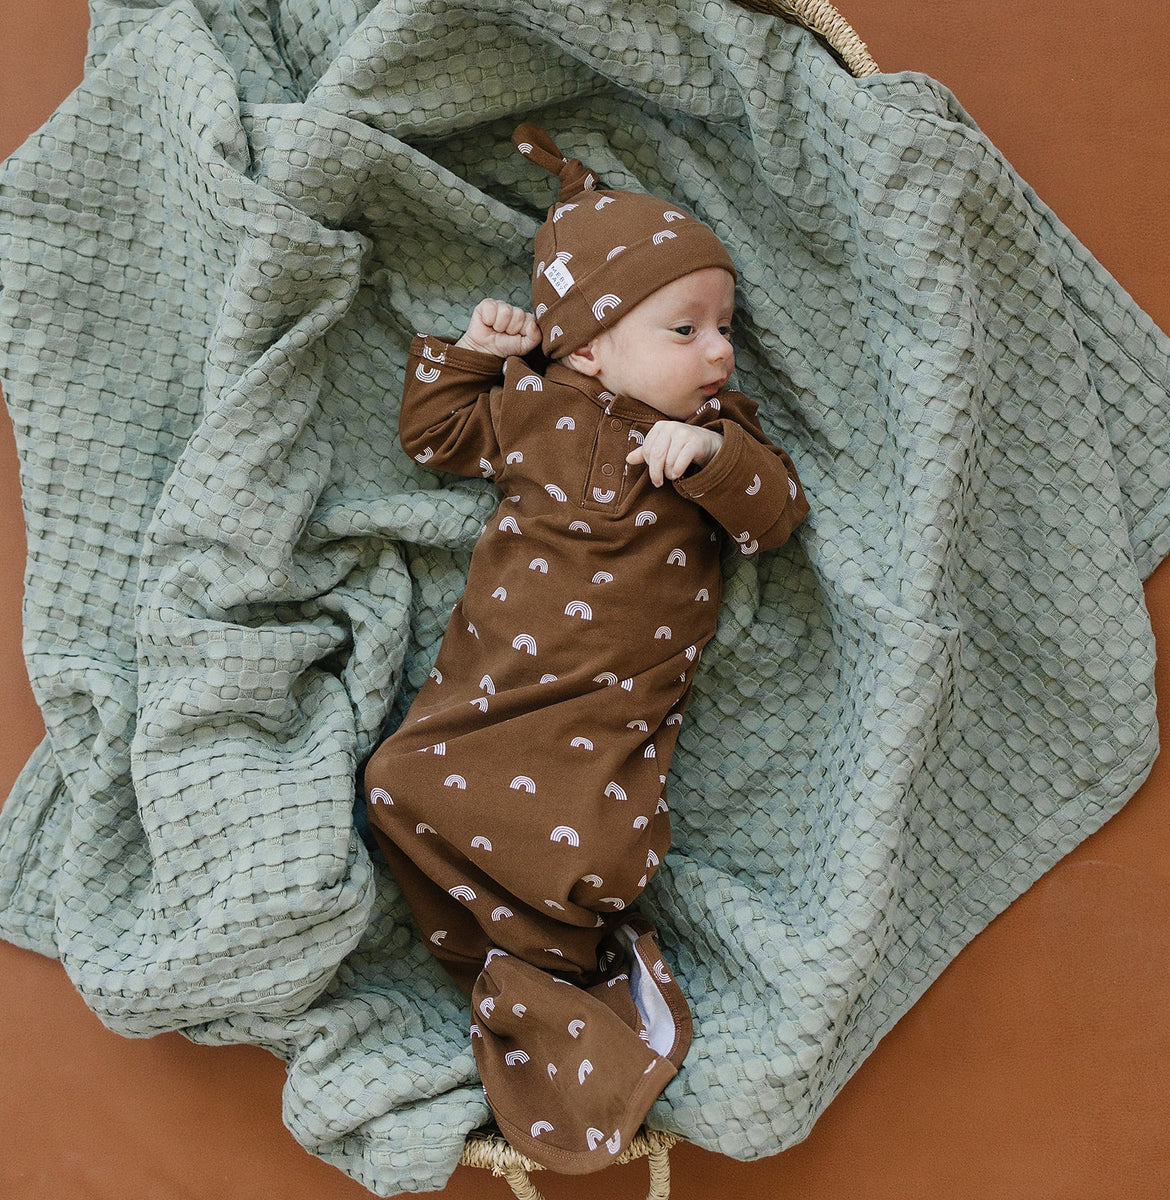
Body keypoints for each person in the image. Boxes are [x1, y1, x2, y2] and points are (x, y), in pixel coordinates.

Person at [364, 123, 809, 1174]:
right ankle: (523, 978)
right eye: (687, 330)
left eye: (724, 327)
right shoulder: (535, 413)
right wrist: (475, 353)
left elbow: (777, 516)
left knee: (579, 851)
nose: (721, 352)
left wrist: (709, 459)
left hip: (600, 724)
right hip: (488, 702)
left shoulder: (718, 442)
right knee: (394, 782)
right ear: (593, 347)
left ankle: (564, 970)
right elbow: (433, 436)